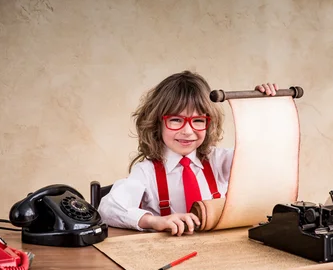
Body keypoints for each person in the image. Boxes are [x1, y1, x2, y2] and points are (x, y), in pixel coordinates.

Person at [98, 71, 277, 236]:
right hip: (169, 257)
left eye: (198, 120)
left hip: (221, 253)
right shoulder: (146, 172)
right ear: (156, 123)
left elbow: (264, 158)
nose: (188, 131)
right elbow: (108, 208)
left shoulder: (220, 160)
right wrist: (155, 221)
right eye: (176, 120)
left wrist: (263, 108)